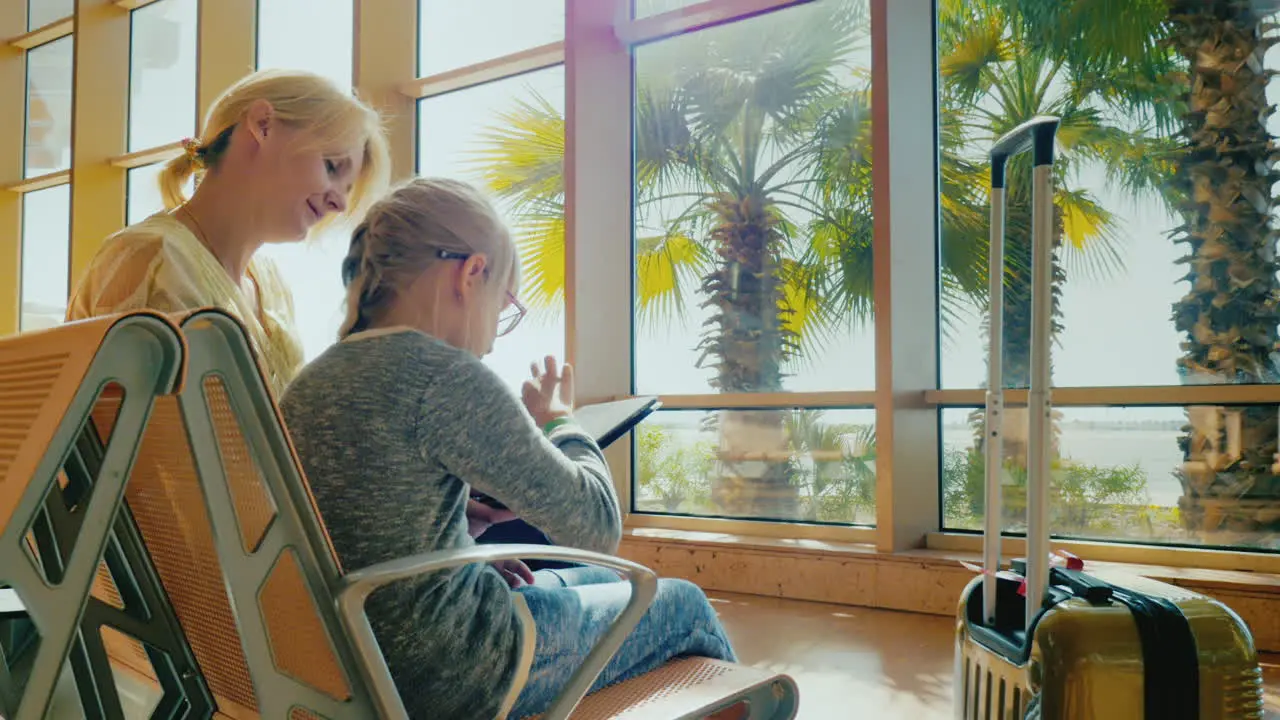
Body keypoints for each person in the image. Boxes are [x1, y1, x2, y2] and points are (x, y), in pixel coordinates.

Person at [278, 177, 737, 720]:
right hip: (452, 671)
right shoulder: (446, 375)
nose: (497, 331)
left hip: (344, 659)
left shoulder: (309, 383)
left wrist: (459, 537)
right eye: (504, 302)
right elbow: (595, 526)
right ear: (471, 273)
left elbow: (356, 530)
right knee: (681, 604)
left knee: (605, 583)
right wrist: (561, 420)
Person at [66, 68, 391, 398]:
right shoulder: (152, 258)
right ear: (263, 124)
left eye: (348, 190)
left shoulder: (271, 284)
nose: (339, 202)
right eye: (332, 167)